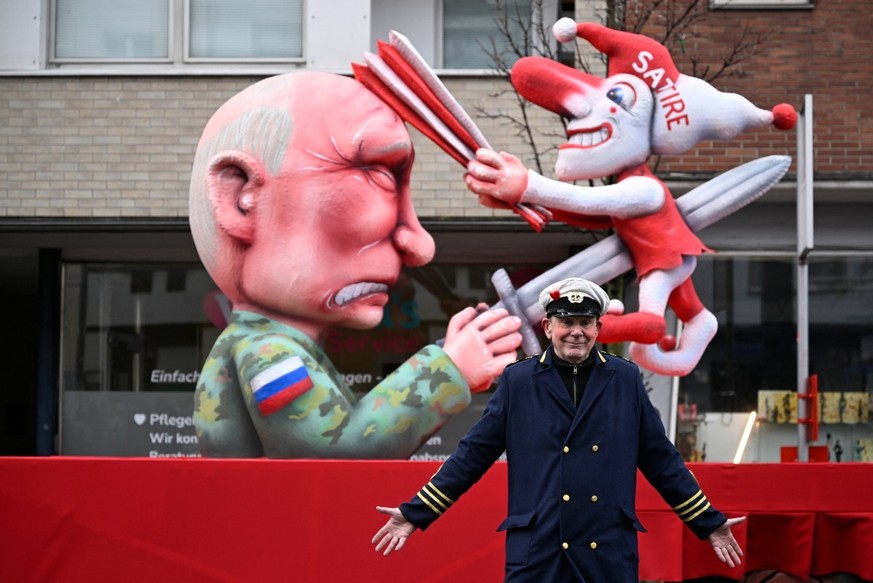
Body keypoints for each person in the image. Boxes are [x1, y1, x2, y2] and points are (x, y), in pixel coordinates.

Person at [189, 71, 523, 458]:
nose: (419, 245)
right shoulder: (268, 353)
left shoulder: (269, 346)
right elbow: (335, 454)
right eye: (377, 173)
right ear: (240, 198)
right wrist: (448, 369)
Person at [372, 277, 745, 581]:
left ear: (599, 327)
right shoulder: (519, 381)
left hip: (606, 553)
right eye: (567, 322)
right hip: (540, 552)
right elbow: (473, 454)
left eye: (585, 323)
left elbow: (661, 460)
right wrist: (417, 511)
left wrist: (707, 521)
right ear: (548, 326)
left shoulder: (624, 379)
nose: (576, 332)